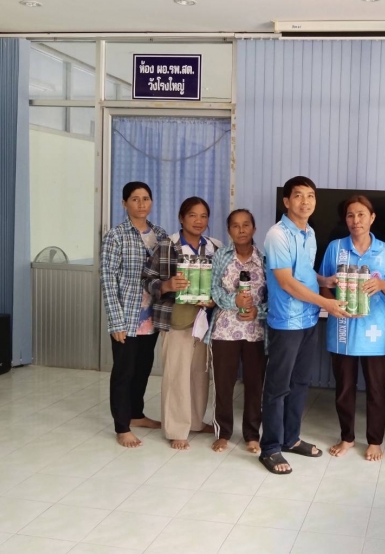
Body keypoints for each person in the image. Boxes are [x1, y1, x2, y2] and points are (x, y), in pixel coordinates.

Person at [260, 176, 351, 475]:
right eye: (298, 195)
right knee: (278, 386)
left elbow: (303, 272)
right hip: (287, 321)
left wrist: (324, 281)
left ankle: (291, 439)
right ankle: (270, 448)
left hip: (309, 318)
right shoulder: (278, 234)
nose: (305, 201)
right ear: (286, 201)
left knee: (300, 383)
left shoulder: (309, 232)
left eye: (310, 195)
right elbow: (286, 282)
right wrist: (326, 302)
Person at [142, 197, 223, 450]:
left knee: (200, 373)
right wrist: (167, 285)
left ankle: (196, 421)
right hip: (176, 318)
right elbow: (148, 279)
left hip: (204, 321)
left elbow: (222, 282)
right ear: (181, 218)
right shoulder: (167, 245)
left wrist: (215, 299)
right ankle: (177, 429)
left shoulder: (215, 247)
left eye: (203, 216)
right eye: (192, 215)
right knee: (177, 374)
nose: (198, 221)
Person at [319, 195, 385, 462]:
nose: (356, 220)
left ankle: (374, 441)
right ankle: (347, 437)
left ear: (372, 218)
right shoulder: (336, 248)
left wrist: (382, 285)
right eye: (350, 215)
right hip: (341, 328)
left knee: (376, 388)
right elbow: (323, 283)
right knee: (344, 387)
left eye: (361, 214)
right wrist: (330, 304)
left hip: (375, 329)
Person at [101, 181, 167, 448]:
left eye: (146, 198)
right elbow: (108, 279)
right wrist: (115, 321)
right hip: (127, 316)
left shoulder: (160, 234)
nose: (141, 204)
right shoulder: (115, 235)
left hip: (152, 316)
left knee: (143, 368)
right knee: (124, 371)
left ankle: (136, 414)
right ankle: (122, 426)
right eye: (135, 199)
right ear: (124, 203)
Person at [207, 209, 267, 454]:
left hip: (255, 332)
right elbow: (213, 290)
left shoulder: (265, 260)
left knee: (255, 385)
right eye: (235, 225)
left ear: (254, 228)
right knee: (224, 384)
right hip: (225, 330)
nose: (241, 230)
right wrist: (235, 301)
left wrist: (258, 311)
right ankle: (223, 433)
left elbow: (274, 297)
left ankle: (252, 435)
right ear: (229, 230)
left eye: (246, 225)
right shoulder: (221, 256)